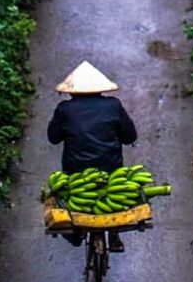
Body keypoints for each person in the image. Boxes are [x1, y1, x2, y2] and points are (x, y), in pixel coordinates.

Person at [47, 61, 137, 252]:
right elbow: (130, 137)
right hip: (111, 170)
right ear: (100, 90)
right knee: (116, 189)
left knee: (68, 194)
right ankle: (114, 235)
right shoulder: (113, 106)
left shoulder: (65, 109)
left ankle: (76, 232)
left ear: (71, 91)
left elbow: (53, 138)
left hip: (75, 172)